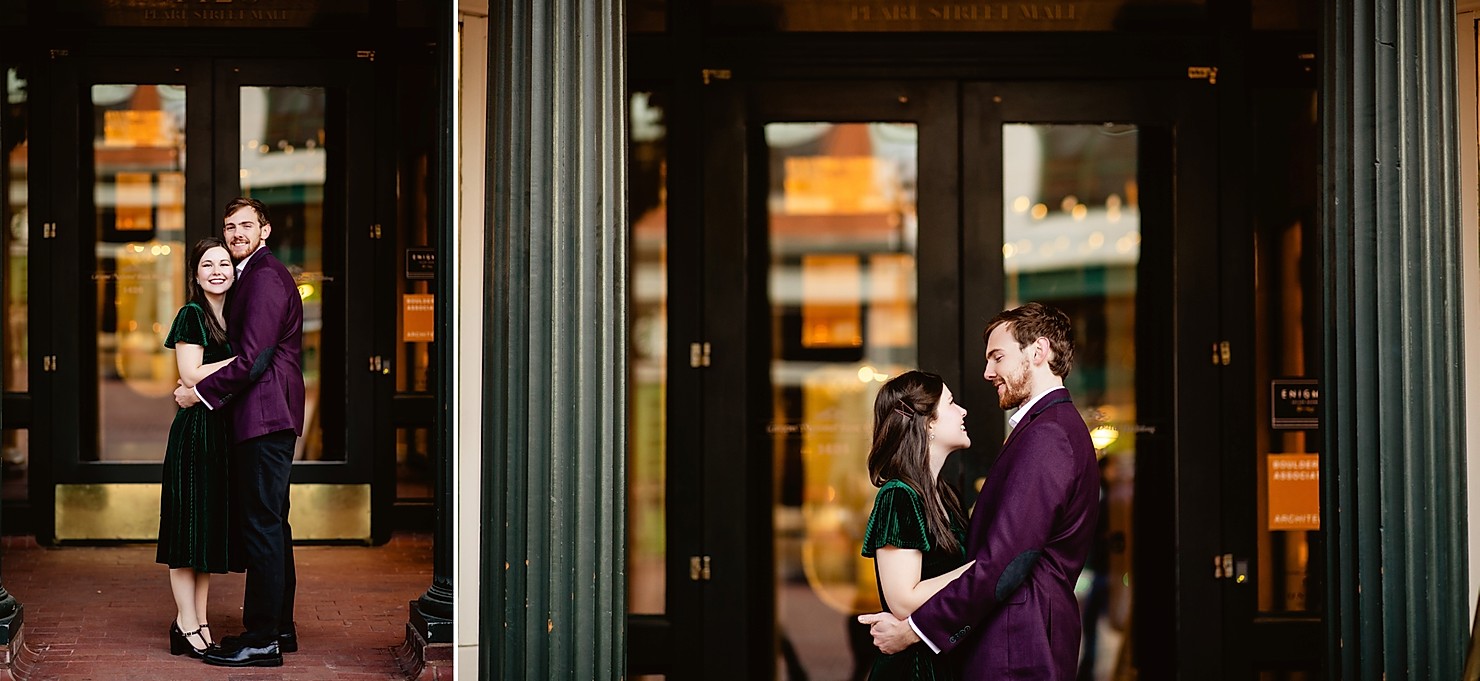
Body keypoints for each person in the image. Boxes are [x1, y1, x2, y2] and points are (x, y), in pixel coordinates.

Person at [858, 302, 1100, 681]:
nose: (988, 373)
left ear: (1038, 352)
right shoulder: (1047, 429)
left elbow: (1005, 563)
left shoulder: (1048, 435)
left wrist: (913, 631)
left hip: (1019, 644)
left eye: (997, 357)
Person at [174, 197, 305, 668]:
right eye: (230, 227)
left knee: (262, 526)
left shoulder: (265, 277)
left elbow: (255, 360)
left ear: (264, 230)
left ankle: (262, 637)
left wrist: (198, 393)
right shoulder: (252, 273)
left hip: (266, 416)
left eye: (246, 225)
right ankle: (280, 629)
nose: (236, 233)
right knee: (273, 523)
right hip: (267, 415)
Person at [861, 370, 977, 680]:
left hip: (940, 658)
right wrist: (979, 570)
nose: (963, 411)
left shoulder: (945, 494)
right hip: (913, 670)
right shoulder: (899, 495)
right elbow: (903, 601)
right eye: (951, 403)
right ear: (928, 423)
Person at [158, 237, 239, 659]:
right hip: (195, 435)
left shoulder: (235, 314)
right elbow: (189, 374)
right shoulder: (192, 314)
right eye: (207, 265)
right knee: (186, 533)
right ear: (195, 274)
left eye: (224, 263)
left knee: (205, 535)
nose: (217, 270)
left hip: (221, 434)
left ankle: (200, 621)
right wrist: (239, 360)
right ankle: (185, 623)